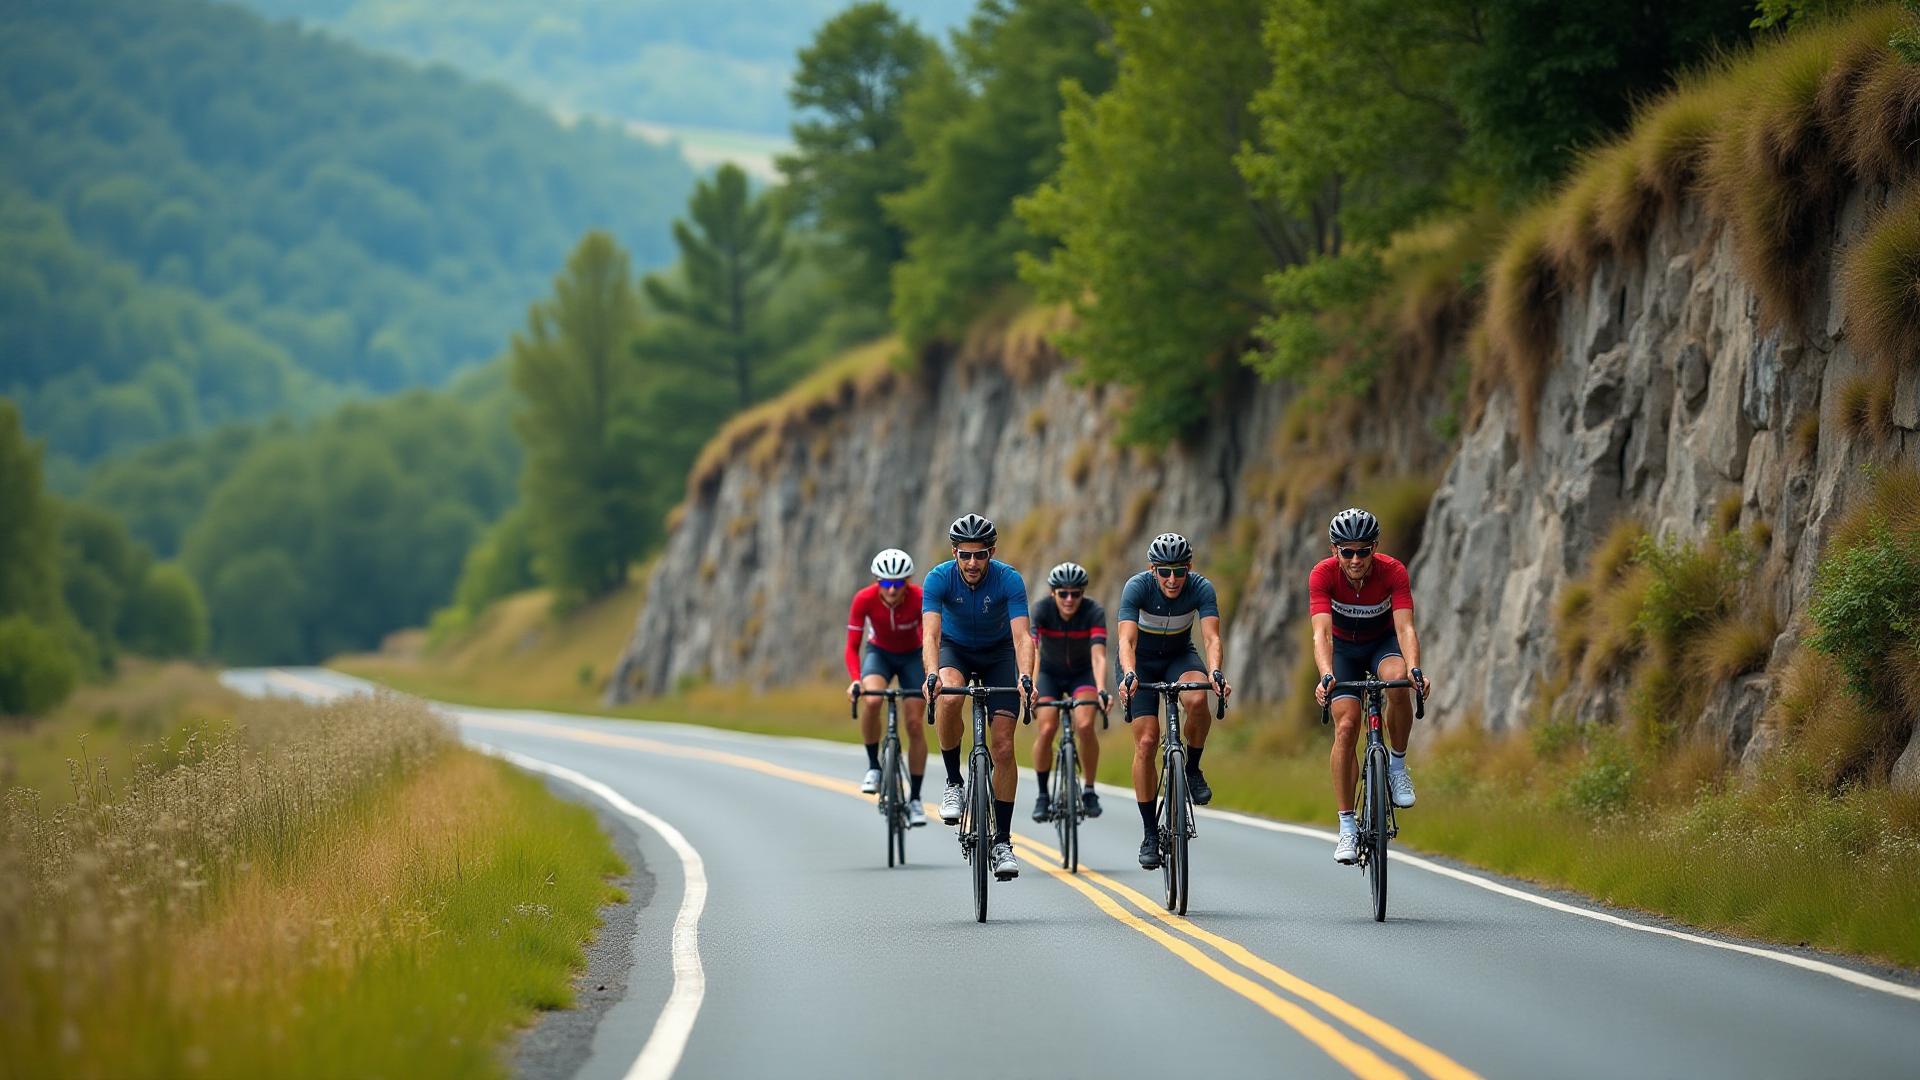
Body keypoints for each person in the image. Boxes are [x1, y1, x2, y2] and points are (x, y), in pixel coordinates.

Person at [1309, 507, 1433, 865]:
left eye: (1363, 550)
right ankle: (1347, 824)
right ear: (1335, 551)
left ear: (1374, 548)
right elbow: (1320, 633)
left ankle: (1396, 767)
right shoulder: (1322, 574)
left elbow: (1406, 628)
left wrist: (1414, 668)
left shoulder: (1393, 571)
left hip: (1382, 645)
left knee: (1397, 682)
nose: (1355, 558)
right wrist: (1326, 673)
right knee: (1346, 725)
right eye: (1347, 551)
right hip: (1343, 651)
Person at [920, 513, 1037, 881]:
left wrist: (1025, 677)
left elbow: (1022, 637)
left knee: (1003, 746)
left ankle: (1002, 840)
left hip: (999, 652)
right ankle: (955, 781)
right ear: (954, 552)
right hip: (955, 649)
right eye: (966, 555)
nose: (973, 563)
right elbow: (931, 637)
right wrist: (931, 675)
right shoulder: (938, 579)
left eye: (981, 555)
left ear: (992, 552)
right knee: (950, 698)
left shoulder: (1009, 579)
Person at [1116, 533, 1231, 870]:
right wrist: (1129, 674)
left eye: (1179, 572)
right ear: (1153, 570)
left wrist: (1215, 672)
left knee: (1197, 698)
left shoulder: (1201, 588)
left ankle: (1192, 769)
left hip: (1180, 657)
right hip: (1140, 662)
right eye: (1164, 572)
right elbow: (1126, 639)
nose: (1171, 579)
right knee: (1148, 741)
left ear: (1189, 569)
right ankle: (1150, 833)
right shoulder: (1136, 587)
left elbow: (1211, 637)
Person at [846, 547, 929, 826]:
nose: (891, 590)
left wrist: (931, 674)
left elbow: (932, 638)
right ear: (876, 581)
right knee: (870, 699)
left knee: (915, 724)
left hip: (912, 656)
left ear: (908, 582)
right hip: (879, 653)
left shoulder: (919, 598)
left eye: (898, 583)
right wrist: (856, 679)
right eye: (885, 583)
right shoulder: (864, 599)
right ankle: (873, 767)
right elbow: (852, 647)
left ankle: (915, 799)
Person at [1028, 562, 1111, 822]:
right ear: (1053, 593)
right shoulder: (1041, 610)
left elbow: (1098, 656)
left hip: (1082, 674)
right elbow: (1034, 653)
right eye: (1063, 593)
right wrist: (1031, 685)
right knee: (1046, 728)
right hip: (1049, 674)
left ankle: (1088, 790)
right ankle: (1043, 795)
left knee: (1085, 725)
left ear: (1082, 594)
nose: (1069, 599)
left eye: (1076, 593)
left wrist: (1101, 689)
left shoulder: (1093, 611)